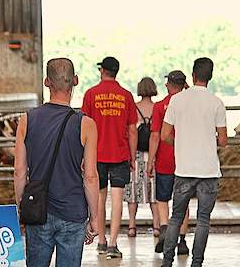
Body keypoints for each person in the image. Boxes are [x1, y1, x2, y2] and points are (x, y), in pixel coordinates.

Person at [14, 58, 99, 267]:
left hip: (38, 211)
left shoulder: (27, 119)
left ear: (46, 82)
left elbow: (18, 171)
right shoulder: (86, 124)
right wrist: (95, 217)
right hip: (73, 212)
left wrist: (22, 207)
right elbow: (90, 176)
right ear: (75, 81)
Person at [161, 58, 227, 267]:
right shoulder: (216, 102)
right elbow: (223, 141)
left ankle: (167, 261)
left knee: (176, 218)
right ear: (211, 76)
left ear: (193, 75)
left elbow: (164, 135)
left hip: (184, 169)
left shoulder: (177, 100)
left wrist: (180, 141)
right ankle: (197, 263)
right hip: (208, 170)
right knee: (203, 220)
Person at [81, 56, 138, 259]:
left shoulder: (90, 94)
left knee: (99, 198)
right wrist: (132, 156)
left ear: (102, 71)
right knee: (117, 200)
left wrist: (82, 155)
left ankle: (102, 241)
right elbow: (132, 130)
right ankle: (114, 244)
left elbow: (83, 126)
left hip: (96, 154)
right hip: (120, 153)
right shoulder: (126, 95)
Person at [147, 70, 190, 255]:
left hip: (164, 161)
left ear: (167, 85)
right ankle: (181, 240)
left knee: (162, 199)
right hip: (186, 161)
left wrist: (150, 160)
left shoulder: (160, 106)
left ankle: (164, 229)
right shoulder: (190, 105)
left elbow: (155, 135)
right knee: (184, 201)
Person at [124, 77, 160, 237]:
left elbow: (130, 131)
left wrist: (130, 157)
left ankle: (132, 225)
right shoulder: (157, 108)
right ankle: (157, 226)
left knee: (133, 189)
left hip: (136, 153)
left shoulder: (134, 108)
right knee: (154, 191)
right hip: (153, 154)